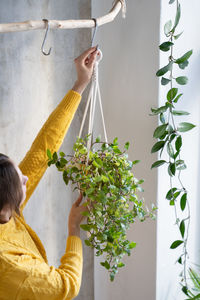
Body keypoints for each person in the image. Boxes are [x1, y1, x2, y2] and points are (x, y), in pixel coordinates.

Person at [0, 46, 98, 300]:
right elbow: (66, 286)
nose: (25, 177)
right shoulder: (10, 267)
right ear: (5, 207)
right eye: (19, 181)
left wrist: (80, 84)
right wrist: (74, 227)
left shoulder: (5, 209)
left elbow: (42, 152)